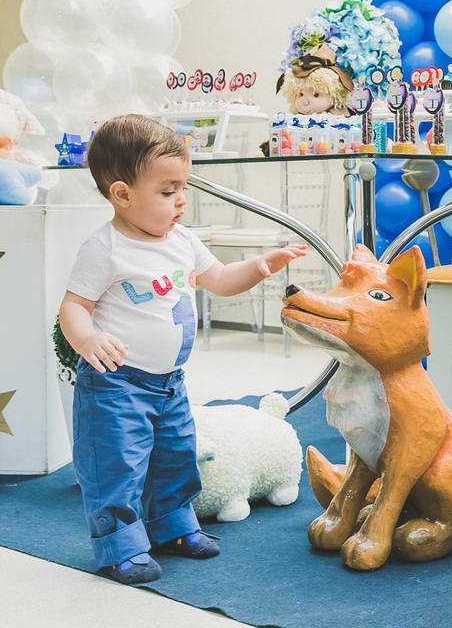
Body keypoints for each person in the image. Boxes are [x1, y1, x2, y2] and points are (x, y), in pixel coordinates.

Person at [58, 114, 305, 585]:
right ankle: (119, 548)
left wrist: (258, 265)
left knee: (176, 456)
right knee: (118, 468)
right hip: (116, 385)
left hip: (169, 384)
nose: (181, 201)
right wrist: (87, 338)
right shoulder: (105, 248)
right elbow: (73, 307)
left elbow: (222, 280)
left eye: (183, 188)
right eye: (168, 191)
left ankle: (171, 527)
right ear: (122, 194)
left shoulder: (182, 240)